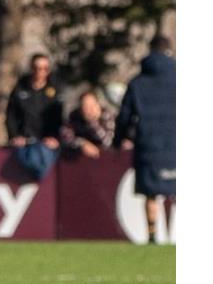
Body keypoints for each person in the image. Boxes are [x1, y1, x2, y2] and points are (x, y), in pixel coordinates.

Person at [115, 36, 176, 244]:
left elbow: (124, 116)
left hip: (148, 146)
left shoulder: (137, 82)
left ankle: (152, 236)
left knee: (151, 193)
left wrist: (118, 140)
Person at [4, 53, 65, 179]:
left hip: (46, 143)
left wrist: (54, 138)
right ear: (32, 68)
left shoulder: (54, 90)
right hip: (24, 142)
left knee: (43, 168)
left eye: (44, 69)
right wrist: (14, 136)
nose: (40, 72)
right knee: (29, 164)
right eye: (37, 68)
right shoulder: (20, 89)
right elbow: (11, 115)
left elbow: (58, 118)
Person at [60, 90, 116, 159]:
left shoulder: (107, 116)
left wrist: (93, 123)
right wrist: (82, 143)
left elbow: (108, 142)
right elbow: (65, 136)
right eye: (86, 106)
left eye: (92, 105)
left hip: (106, 158)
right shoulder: (75, 116)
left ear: (98, 104)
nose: (90, 109)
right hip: (82, 160)